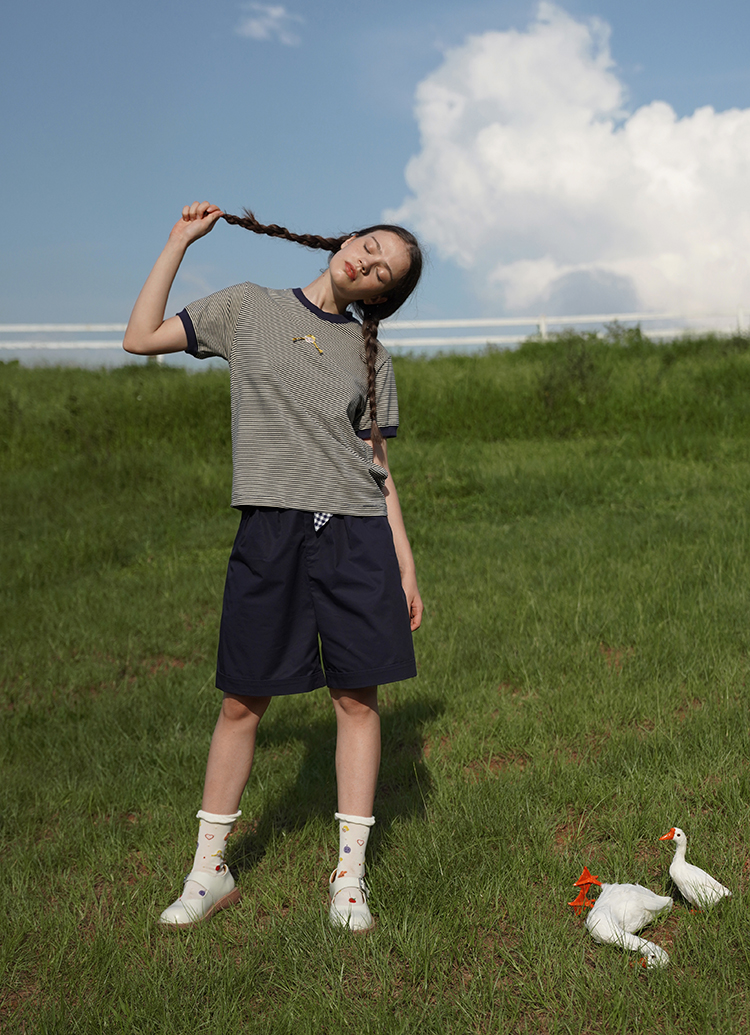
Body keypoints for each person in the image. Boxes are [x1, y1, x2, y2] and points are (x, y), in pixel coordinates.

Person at [123, 201, 424, 932]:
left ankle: (348, 880)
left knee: (357, 701)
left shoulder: (372, 356)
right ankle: (209, 872)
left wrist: (405, 563)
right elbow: (139, 338)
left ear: (379, 294)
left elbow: (378, 466)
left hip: (355, 535)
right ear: (349, 238)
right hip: (270, 530)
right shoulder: (246, 307)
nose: (367, 260)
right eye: (370, 244)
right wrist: (177, 243)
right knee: (241, 701)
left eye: (382, 270)